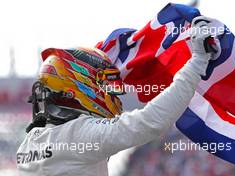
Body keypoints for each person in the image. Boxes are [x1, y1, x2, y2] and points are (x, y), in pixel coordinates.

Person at [16, 16, 216, 176]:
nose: (112, 93)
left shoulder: (30, 142)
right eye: (106, 85)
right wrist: (197, 62)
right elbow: (150, 122)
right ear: (78, 84)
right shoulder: (78, 135)